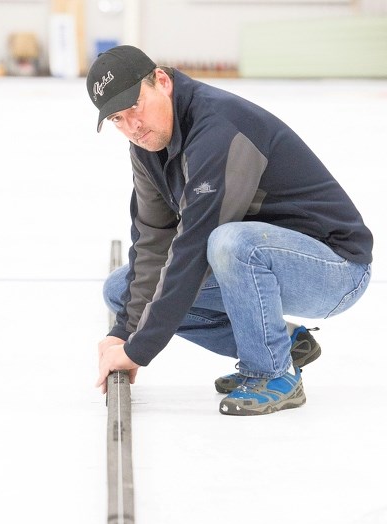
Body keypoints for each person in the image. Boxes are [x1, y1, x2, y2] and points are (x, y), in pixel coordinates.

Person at [87, 45, 373, 416]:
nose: (132, 127)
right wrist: (123, 332)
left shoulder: (218, 127)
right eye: (117, 120)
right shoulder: (146, 147)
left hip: (335, 269)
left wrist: (137, 351)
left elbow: (193, 246)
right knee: (118, 290)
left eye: (135, 107)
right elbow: (154, 241)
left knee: (229, 242)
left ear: (161, 81)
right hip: (265, 261)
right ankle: (284, 342)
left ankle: (272, 371)